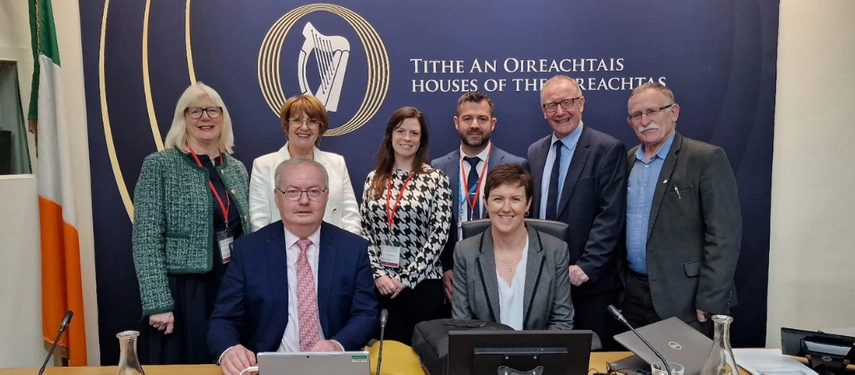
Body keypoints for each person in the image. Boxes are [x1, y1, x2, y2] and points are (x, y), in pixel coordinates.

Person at [208, 158, 378, 375]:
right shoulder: (249, 251)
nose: (304, 200)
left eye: (314, 192)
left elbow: (365, 313)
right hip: (267, 368)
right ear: (277, 197)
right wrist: (229, 350)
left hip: (333, 367)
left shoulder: (353, 249)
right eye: (293, 192)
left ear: (326, 196)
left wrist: (338, 345)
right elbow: (224, 318)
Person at [132, 82, 251, 364]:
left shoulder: (236, 169)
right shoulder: (159, 165)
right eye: (195, 111)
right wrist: (157, 302)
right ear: (182, 118)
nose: (205, 118)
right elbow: (146, 239)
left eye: (212, 110)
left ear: (223, 117)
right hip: (184, 293)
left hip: (231, 288)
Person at [619, 83, 741, 332]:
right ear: (630, 122)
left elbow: (724, 236)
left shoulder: (705, 158)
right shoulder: (627, 160)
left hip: (687, 300)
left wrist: (711, 299)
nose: (645, 121)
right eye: (637, 115)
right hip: (633, 297)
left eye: (652, 111)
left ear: (673, 112)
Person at [527, 75, 627, 349]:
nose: (560, 111)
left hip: (588, 285)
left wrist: (587, 266)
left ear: (581, 103)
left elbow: (611, 215)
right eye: (551, 105)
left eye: (567, 102)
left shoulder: (607, 149)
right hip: (543, 282)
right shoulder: (535, 152)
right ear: (543, 111)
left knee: (588, 359)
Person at [360, 107, 452, 345]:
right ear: (390, 135)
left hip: (422, 286)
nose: (407, 138)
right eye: (401, 131)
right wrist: (378, 274)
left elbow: (439, 234)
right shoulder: (373, 178)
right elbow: (364, 231)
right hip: (380, 287)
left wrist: (406, 277)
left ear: (421, 140)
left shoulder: (435, 179)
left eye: (414, 133)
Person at [431, 91, 528, 304]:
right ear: (457, 122)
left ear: (492, 123)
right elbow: (435, 227)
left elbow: (522, 228)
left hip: (500, 275)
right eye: (468, 119)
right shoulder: (437, 169)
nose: (475, 125)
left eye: (482, 119)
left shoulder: (515, 166)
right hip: (452, 276)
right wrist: (446, 267)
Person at [451, 164, 574, 330]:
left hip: (539, 353)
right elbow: (462, 325)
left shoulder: (556, 251)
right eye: (498, 199)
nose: (506, 208)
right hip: (485, 353)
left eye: (515, 199)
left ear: (528, 204)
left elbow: (562, 323)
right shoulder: (465, 252)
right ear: (486, 202)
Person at [249, 95, 361, 234]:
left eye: (312, 121)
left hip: (333, 251)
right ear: (286, 125)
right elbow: (258, 222)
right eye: (297, 120)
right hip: (280, 252)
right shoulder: (263, 166)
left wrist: (347, 251)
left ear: (320, 128)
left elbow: (350, 217)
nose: (304, 127)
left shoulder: (337, 163)